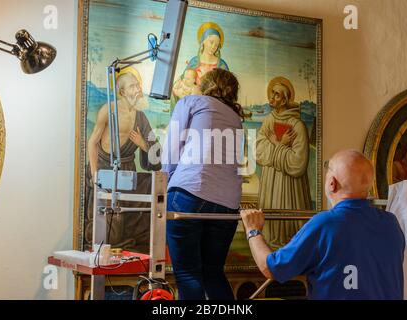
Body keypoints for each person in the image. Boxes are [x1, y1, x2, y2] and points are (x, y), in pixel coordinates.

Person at [241, 150, 405, 300]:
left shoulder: (326, 223)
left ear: (332, 183)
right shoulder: (391, 223)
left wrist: (252, 230)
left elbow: (270, 268)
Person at [162, 68, 246, 300]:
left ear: (205, 85)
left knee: (188, 274)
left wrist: (163, 187)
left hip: (189, 193)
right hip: (227, 205)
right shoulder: (236, 119)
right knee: (213, 273)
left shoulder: (192, 101)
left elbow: (170, 151)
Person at [84, 67, 161, 253]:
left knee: (151, 185)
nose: (138, 90)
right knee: (107, 225)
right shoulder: (108, 110)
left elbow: (157, 153)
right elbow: (92, 142)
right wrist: (95, 174)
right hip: (104, 168)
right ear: (122, 92)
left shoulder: (141, 117)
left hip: (127, 170)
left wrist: (142, 143)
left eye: (138, 85)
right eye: (133, 86)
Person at [256, 76, 311, 249]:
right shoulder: (269, 120)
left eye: (277, 95)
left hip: (289, 185)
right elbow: (258, 150)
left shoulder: (298, 125)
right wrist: (280, 145)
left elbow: (298, 163)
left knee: (289, 233)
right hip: (270, 180)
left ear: (286, 99)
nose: (272, 98)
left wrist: (277, 146)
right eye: (272, 93)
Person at [170, 22, 229, 113]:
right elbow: (183, 79)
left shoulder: (221, 65)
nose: (213, 47)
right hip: (193, 101)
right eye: (211, 42)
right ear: (203, 42)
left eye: (216, 45)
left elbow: (227, 88)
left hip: (212, 103)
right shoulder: (194, 61)